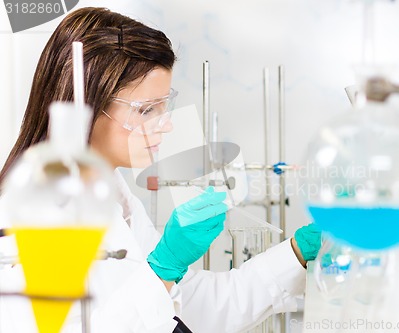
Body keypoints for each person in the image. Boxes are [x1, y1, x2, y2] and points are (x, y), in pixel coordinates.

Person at [0, 7, 322, 333]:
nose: (165, 124)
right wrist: (164, 267)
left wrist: (296, 253)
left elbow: (194, 308)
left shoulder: (118, 203)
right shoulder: (25, 216)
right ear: (87, 105)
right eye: (146, 110)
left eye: (164, 106)